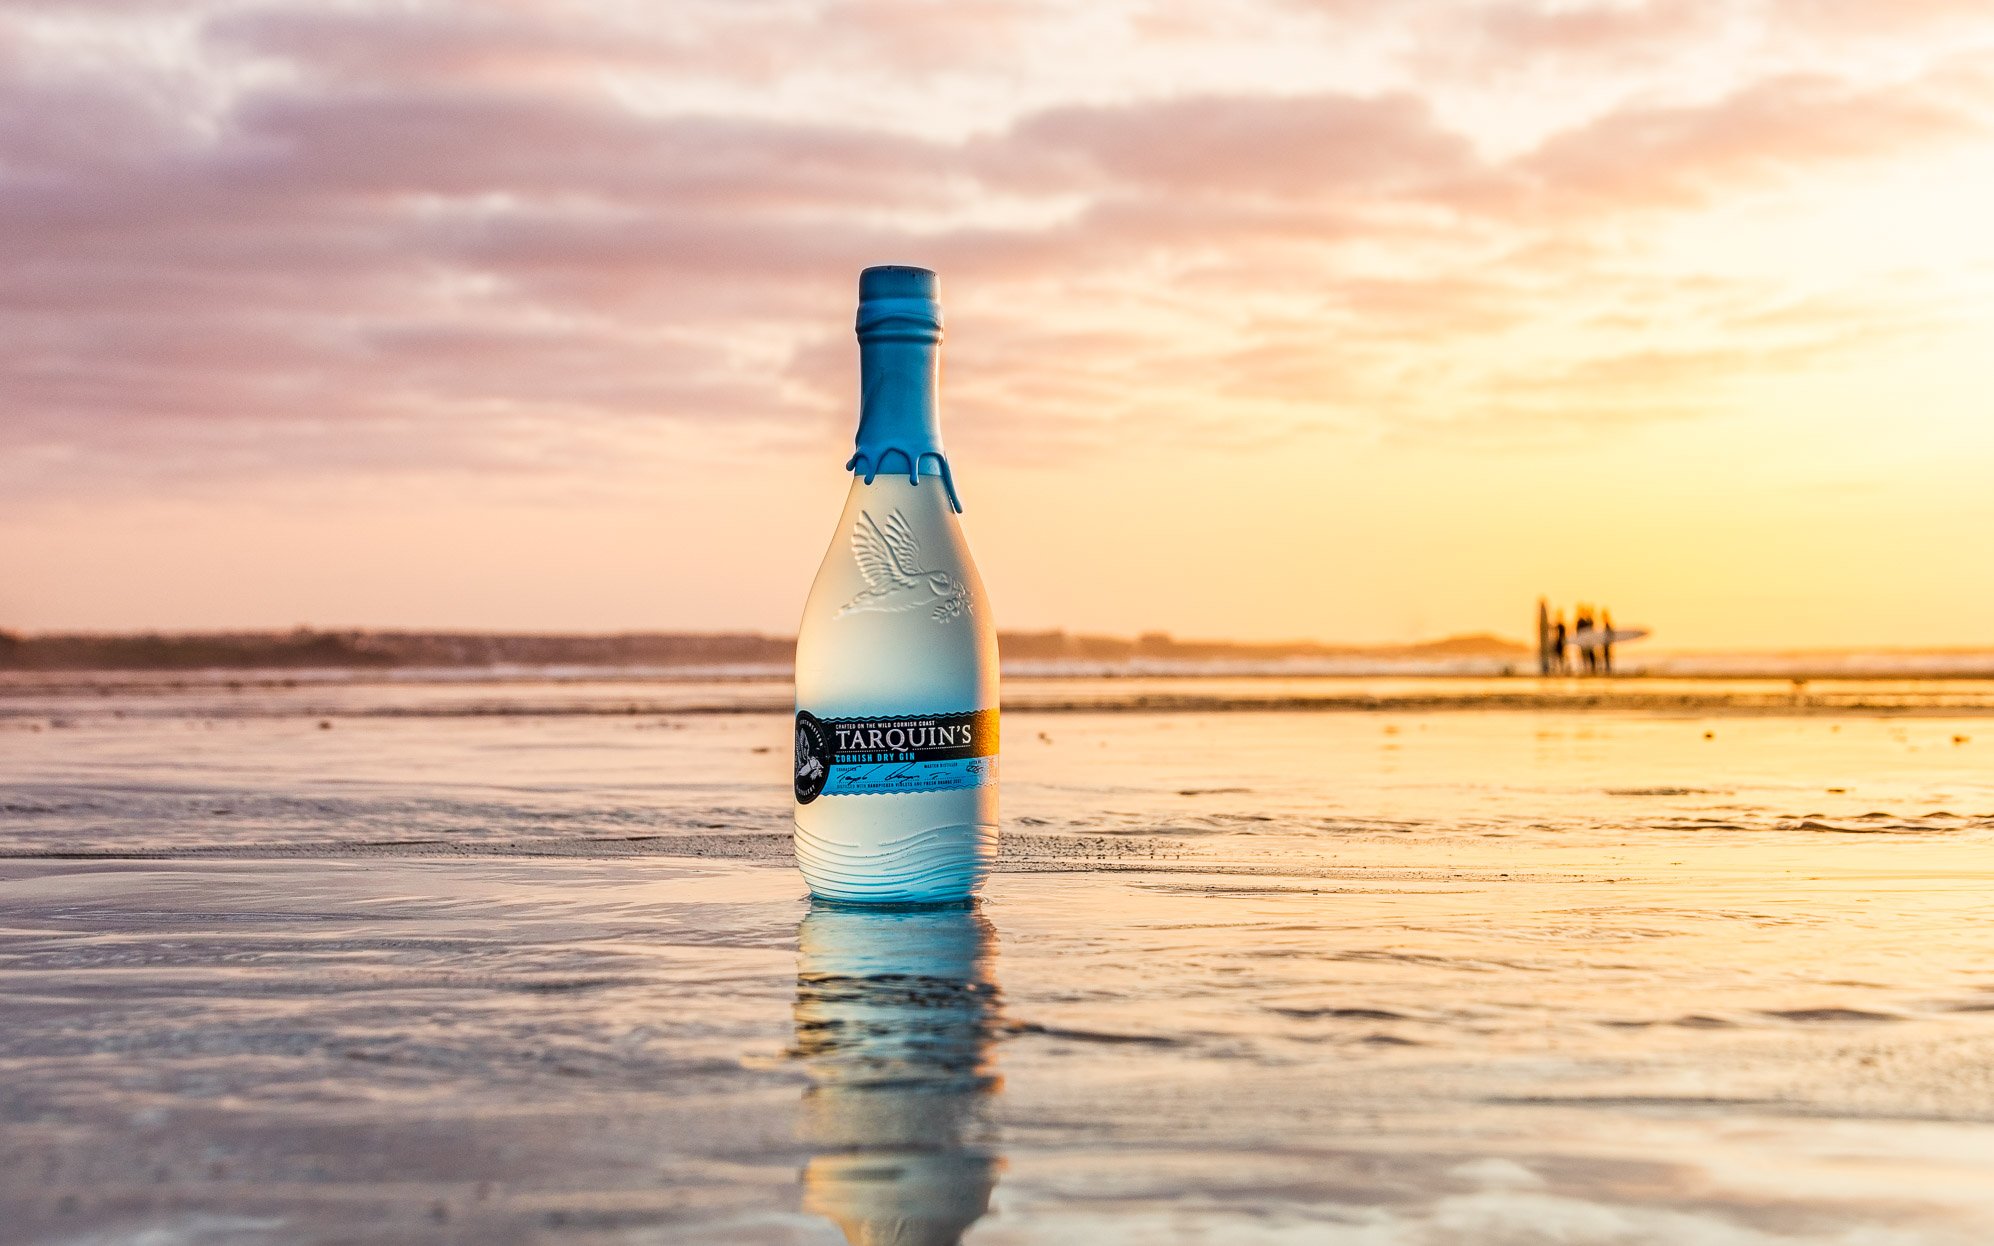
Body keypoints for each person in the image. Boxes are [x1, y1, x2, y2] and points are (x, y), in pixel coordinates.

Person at [1551, 611, 1568, 675]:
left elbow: (1555, 629)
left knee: (1559, 655)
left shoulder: (1561, 626)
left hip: (1560, 642)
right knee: (1559, 655)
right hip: (1560, 642)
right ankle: (1559, 667)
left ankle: (1559, 667)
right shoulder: (1562, 626)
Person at [1600, 608, 1615, 675]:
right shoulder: (1606, 624)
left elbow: (1610, 634)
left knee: (1607, 655)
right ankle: (1608, 668)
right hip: (1606, 643)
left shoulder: (1607, 624)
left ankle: (1608, 668)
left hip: (1607, 643)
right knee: (1606, 655)